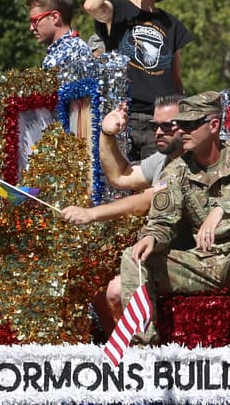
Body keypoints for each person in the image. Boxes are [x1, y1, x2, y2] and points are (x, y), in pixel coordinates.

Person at [120, 92, 230, 357]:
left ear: (214, 125)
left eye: (190, 125)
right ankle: (143, 346)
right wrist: (151, 236)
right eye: (179, 125)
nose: (181, 131)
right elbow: (162, 219)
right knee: (135, 256)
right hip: (204, 263)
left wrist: (223, 208)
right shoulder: (175, 170)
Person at [61, 94, 187, 331]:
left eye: (167, 126)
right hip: (158, 248)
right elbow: (122, 175)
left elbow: (146, 201)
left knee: (117, 292)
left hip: (186, 255)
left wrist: (91, 214)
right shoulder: (165, 158)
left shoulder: (188, 161)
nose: (158, 132)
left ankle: (140, 356)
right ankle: (121, 356)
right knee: (93, 281)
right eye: (154, 126)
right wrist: (107, 135)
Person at [83, 0, 192, 160]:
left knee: (157, 185)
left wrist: (182, 118)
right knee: (120, 184)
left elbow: (176, 78)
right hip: (122, 116)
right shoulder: (119, 10)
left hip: (160, 121)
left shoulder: (172, 24)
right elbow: (91, 6)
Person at [27, 0, 93, 74]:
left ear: (55, 17)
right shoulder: (64, 49)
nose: (31, 28)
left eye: (35, 21)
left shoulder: (72, 51)